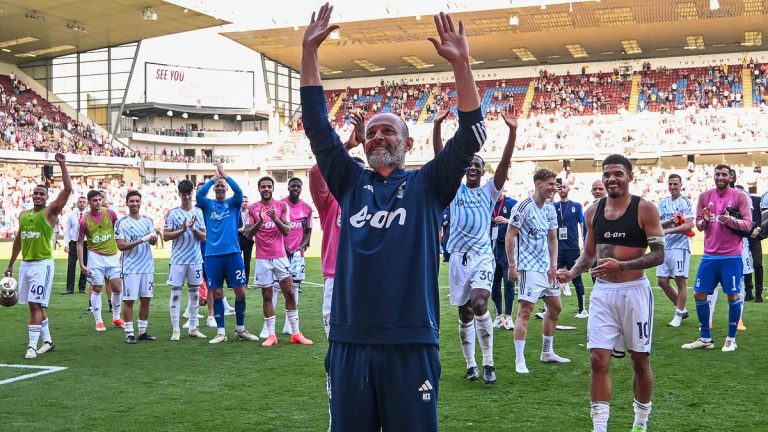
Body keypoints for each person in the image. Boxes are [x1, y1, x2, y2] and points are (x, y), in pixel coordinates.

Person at [301, 5, 485, 430]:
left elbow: (473, 133)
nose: (378, 136)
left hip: (410, 341)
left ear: (408, 141)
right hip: (350, 341)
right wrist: (309, 53)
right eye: (372, 132)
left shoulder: (429, 184)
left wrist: (462, 63)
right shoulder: (349, 182)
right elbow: (316, 125)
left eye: (389, 131)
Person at [556, 154, 664, 432]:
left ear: (630, 176)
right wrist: (571, 272)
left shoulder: (645, 209)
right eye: (607, 174)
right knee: (597, 359)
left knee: (639, 360)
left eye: (617, 173)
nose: (611, 178)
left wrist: (623, 265)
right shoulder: (593, 212)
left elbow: (659, 255)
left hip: (635, 293)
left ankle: (640, 423)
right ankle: (600, 427)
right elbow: (589, 254)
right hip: (603, 293)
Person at [443, 110, 516, 384]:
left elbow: (505, 164)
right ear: (464, 169)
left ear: (483, 171)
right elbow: (441, 157)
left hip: (482, 256)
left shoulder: (489, 191)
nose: (472, 167)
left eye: (477, 164)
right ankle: (471, 364)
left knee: (479, 303)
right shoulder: (453, 189)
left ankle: (488, 362)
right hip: (458, 258)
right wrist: (438, 126)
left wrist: (512, 132)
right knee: (464, 313)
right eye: (469, 164)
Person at [4, 153, 72, 359]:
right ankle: (48, 342)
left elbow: (68, 190)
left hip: (42, 264)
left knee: (35, 305)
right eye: (35, 194)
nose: (38, 196)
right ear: (31, 196)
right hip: (26, 265)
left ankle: (32, 347)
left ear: (46, 197)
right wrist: (10, 264)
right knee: (36, 305)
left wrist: (62, 164)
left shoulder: (50, 212)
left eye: (42, 194)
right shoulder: (24, 215)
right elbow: (18, 240)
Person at [682, 164, 751, 353]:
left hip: (732, 255)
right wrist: (704, 219)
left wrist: (731, 221)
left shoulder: (740, 196)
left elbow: (748, 224)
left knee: (733, 295)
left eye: (724, 174)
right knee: (699, 294)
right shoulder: (705, 197)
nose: (720, 177)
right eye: (717, 174)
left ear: (731, 177)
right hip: (709, 255)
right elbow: (699, 225)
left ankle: (731, 339)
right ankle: (705, 338)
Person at [506, 169, 569, 374]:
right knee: (525, 312)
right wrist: (512, 265)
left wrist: (553, 264)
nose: (554, 188)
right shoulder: (522, 207)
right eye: (550, 184)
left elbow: (552, 238)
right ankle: (519, 360)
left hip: (546, 268)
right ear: (538, 184)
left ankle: (547, 352)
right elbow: (510, 236)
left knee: (556, 308)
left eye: (555, 184)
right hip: (528, 268)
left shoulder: (550, 209)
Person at [308, 113, 365, 337]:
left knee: (365, 332)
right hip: (334, 274)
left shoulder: (373, 200)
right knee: (334, 334)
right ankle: (334, 373)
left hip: (365, 273)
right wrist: (347, 148)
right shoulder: (329, 201)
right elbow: (315, 172)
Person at [245, 176, 312, 346]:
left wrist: (275, 219)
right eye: (263, 187)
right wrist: (260, 221)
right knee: (267, 296)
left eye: (269, 186)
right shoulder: (252, 208)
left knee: (289, 292)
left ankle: (296, 332)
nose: (266, 189)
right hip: (262, 258)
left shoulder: (281, 206)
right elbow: (247, 233)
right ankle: (271, 335)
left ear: (273, 188)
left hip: (280, 257)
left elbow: (287, 231)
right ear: (259, 189)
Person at [195, 163, 258, 344]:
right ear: (214, 189)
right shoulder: (207, 204)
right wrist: (214, 178)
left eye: (223, 186)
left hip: (233, 254)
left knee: (241, 292)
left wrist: (225, 175)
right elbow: (199, 195)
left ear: (226, 189)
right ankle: (221, 332)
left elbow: (238, 191)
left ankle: (240, 329)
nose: (220, 188)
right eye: (218, 187)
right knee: (216, 293)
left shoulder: (233, 204)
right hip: (213, 255)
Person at [164, 180, 208, 340]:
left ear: (192, 194)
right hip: (178, 259)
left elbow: (204, 237)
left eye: (189, 194)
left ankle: (193, 327)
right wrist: (182, 230)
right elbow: (166, 235)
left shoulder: (199, 212)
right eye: (184, 194)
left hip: (195, 259)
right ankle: (176, 330)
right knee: (175, 294)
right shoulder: (173, 213)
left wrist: (194, 228)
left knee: (195, 293)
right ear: (179, 194)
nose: (187, 197)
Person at [114, 191, 158, 344]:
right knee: (129, 300)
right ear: (127, 203)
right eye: (132, 201)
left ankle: (143, 331)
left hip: (147, 266)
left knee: (146, 299)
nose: (135, 204)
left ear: (141, 202)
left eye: (137, 201)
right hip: (131, 267)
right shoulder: (121, 223)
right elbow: (121, 246)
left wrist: (152, 239)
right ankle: (129, 333)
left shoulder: (147, 221)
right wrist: (141, 240)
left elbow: (152, 242)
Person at [78, 189, 124, 332]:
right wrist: (82, 264)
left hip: (112, 256)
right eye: (94, 200)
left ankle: (116, 317)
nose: (98, 202)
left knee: (117, 287)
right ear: (89, 202)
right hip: (95, 257)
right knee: (97, 288)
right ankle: (98, 321)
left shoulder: (110, 214)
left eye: (100, 199)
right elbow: (80, 242)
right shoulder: (84, 220)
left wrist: (123, 250)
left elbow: (120, 231)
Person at [656, 174, 694, 327]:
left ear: (681, 184)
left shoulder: (685, 202)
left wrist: (668, 231)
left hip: (680, 246)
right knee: (662, 281)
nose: (672, 187)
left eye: (675, 184)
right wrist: (670, 222)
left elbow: (689, 225)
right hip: (665, 246)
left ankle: (678, 315)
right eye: (670, 184)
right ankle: (682, 309)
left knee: (680, 280)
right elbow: (658, 223)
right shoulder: (662, 202)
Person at [279, 178, 313, 334]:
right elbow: (275, 228)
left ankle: (289, 325)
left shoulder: (306, 208)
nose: (295, 188)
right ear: (288, 187)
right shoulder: (280, 204)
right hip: (280, 252)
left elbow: (308, 231)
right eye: (293, 186)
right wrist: (281, 245)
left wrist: (302, 245)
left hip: (297, 254)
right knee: (274, 287)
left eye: (298, 186)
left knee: (295, 287)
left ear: (301, 188)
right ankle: (269, 327)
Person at [554, 181, 587, 318]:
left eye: (564, 187)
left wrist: (584, 243)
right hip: (557, 247)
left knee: (576, 277)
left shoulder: (576, 206)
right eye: (559, 187)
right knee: (552, 277)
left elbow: (582, 224)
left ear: (569, 188)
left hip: (572, 247)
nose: (562, 189)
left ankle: (582, 309)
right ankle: (547, 308)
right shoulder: (553, 206)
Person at [491, 192, 517, 329]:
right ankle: (498, 316)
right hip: (491, 249)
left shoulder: (512, 203)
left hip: (507, 250)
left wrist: (507, 221)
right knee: (494, 284)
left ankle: (508, 317)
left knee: (509, 283)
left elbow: (522, 221)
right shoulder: (488, 203)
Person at [63, 196, 88, 294]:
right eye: (80, 202)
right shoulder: (71, 215)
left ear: (86, 204)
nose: (81, 203)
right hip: (74, 242)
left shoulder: (89, 215)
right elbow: (67, 231)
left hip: (86, 243)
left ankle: (82, 288)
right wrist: (66, 244)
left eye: (83, 202)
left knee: (85, 265)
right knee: (71, 265)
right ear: (77, 203)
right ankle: (70, 289)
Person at [237, 196, 254, 282]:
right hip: (238, 238)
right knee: (237, 261)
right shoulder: (236, 212)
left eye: (246, 201)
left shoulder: (251, 213)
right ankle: (236, 281)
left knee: (247, 262)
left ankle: (246, 281)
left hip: (248, 239)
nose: (244, 203)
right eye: (243, 201)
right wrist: (238, 230)